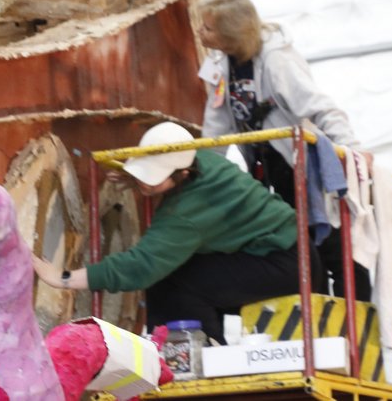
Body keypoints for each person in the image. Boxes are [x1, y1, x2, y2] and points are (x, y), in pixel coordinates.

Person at [33, 122, 325, 344]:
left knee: (174, 282)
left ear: (182, 175)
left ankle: (198, 359)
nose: (146, 184)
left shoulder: (187, 212)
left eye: (154, 178)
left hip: (290, 265)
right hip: (283, 251)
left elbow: (141, 266)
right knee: (176, 279)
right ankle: (194, 350)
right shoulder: (197, 157)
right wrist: (140, 178)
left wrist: (63, 278)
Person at [196, 0, 372, 301]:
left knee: (331, 244)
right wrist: (201, 173)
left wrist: (351, 148)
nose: (200, 32)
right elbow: (216, 126)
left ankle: (355, 317)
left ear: (231, 33)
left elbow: (319, 106)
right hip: (265, 169)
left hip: (300, 164)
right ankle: (315, 314)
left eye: (208, 27)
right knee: (300, 248)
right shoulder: (219, 66)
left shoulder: (277, 60)